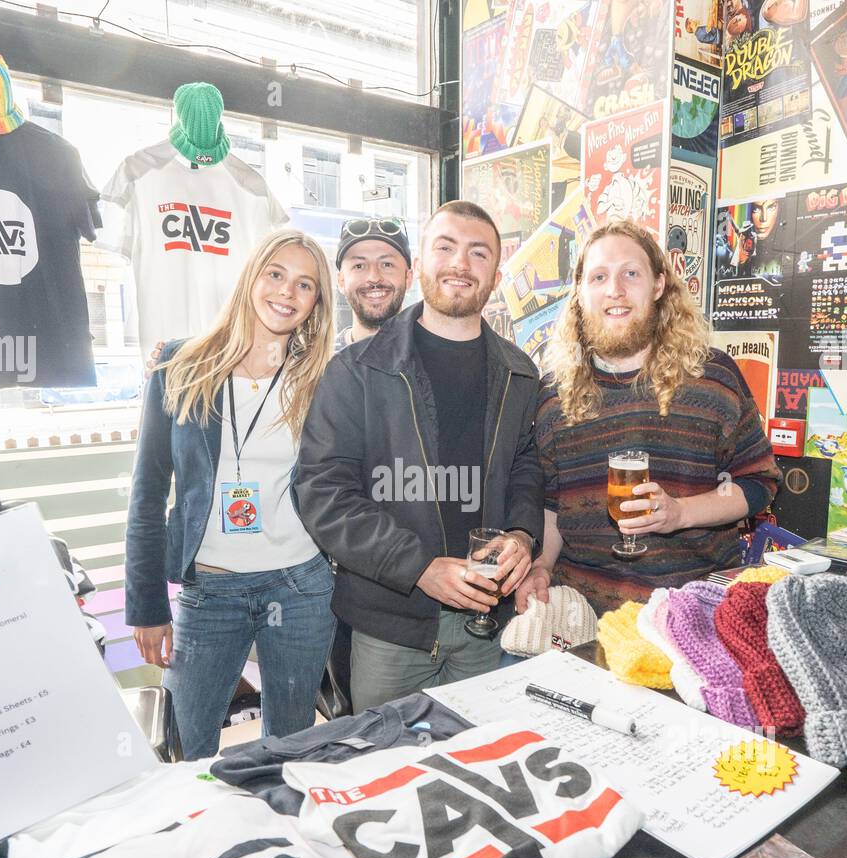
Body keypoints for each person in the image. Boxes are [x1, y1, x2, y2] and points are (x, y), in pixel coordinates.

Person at [296, 200, 543, 711]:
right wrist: (420, 566)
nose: (460, 263)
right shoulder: (357, 371)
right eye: (445, 247)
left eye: (478, 253)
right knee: (383, 767)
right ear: (421, 266)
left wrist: (522, 534)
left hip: (486, 622)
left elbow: (526, 466)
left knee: (481, 764)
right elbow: (322, 493)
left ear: (495, 275)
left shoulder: (520, 373)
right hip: (392, 624)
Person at [125, 229, 338, 759]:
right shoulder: (179, 365)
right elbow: (149, 492)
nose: (286, 292)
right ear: (251, 276)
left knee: (290, 752)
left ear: (315, 303)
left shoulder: (321, 379)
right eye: (276, 274)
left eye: (305, 284)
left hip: (300, 586)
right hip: (210, 591)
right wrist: (146, 605)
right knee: (184, 749)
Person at [515, 219, 781, 616]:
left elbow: (757, 484)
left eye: (631, 273)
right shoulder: (554, 393)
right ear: (580, 293)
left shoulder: (712, 378)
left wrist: (681, 513)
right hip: (581, 619)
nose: (614, 290)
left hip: (690, 612)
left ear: (658, 285)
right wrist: (541, 566)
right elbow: (554, 505)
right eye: (599, 276)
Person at [334, 217, 413, 351]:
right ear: (341, 281)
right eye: (359, 266)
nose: (374, 277)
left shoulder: (434, 358)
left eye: (387, 264)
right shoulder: (318, 364)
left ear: (408, 278)